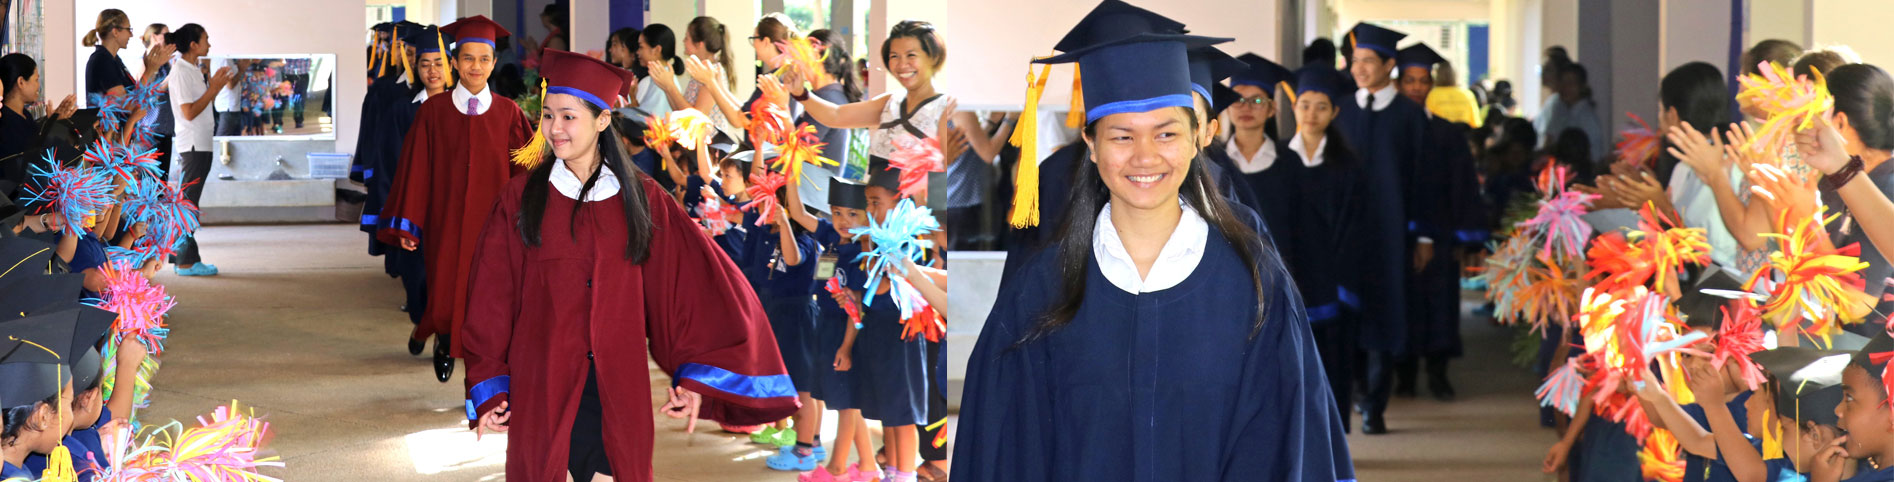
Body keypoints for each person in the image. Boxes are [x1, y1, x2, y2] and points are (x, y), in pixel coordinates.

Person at [954, 2, 1355, 480]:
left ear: (1198, 138)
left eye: (1166, 133)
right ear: (1091, 143)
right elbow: (1006, 445)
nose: (1145, 157)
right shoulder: (1041, 289)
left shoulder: (1253, 282)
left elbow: (1284, 440)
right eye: (1121, 136)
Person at [462, 48, 799, 482]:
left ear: (603, 120)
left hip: (616, 379)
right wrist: (490, 382)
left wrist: (693, 375)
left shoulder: (643, 199)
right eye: (548, 116)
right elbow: (491, 294)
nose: (554, 129)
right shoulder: (521, 197)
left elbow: (690, 286)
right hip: (541, 375)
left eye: (569, 117)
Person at [377, 16, 534, 382]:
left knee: (491, 292)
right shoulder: (433, 112)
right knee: (446, 285)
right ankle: (444, 339)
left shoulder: (509, 113)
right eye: (467, 58)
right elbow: (415, 170)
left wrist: (526, 220)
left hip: (494, 224)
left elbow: (525, 173)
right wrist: (409, 222)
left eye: (483, 59)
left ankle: (482, 355)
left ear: (494, 63)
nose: (475, 66)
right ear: (454, 62)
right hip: (443, 220)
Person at [1337, 21, 1430, 435]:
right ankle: (1355, 392)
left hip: (1392, 232)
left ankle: (1375, 403)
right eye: (1355, 61)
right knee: (1347, 311)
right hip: (1346, 231)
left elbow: (1424, 179)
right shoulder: (1341, 109)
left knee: (1384, 313)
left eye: (1368, 61)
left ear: (1390, 65)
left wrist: (1423, 234)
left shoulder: (1410, 115)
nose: (1359, 69)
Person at [1391, 42, 1486, 402]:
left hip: (1441, 231)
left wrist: (1463, 238)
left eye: (1422, 80)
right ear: (1399, 84)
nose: (1416, 87)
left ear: (1431, 84)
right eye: (1410, 80)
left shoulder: (1447, 134)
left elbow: (1461, 186)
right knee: (1402, 303)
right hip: (1396, 235)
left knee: (1439, 304)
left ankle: (1438, 373)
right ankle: (1403, 375)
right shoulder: (1388, 130)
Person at [367, 25, 455, 335]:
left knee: (451, 278)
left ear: (451, 65)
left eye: (439, 63)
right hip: (415, 207)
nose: (432, 71)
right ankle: (422, 323)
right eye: (425, 63)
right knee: (416, 276)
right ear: (415, 67)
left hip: (453, 208)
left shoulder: (467, 110)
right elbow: (387, 163)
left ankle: (444, 339)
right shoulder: (402, 110)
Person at [164, 24, 236, 278]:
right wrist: (214, 88)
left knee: (189, 202)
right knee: (188, 203)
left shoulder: (191, 69)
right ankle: (185, 261)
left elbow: (199, 106)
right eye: (206, 39)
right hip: (193, 143)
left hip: (201, 142)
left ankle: (180, 255)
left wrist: (212, 87)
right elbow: (188, 112)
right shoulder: (181, 71)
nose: (209, 43)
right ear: (193, 44)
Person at [1222, 53, 1293, 236]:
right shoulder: (1213, 161)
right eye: (1238, 100)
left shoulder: (1290, 163)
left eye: (1257, 100)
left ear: (1272, 109)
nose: (1246, 107)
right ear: (1227, 107)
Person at [649, 17, 739, 142]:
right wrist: (666, 87)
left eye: (687, 38)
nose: (683, 41)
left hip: (709, 146)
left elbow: (697, 118)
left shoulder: (712, 72)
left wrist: (671, 87)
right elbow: (681, 112)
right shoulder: (700, 70)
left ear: (699, 44)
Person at [0, 54, 77, 188]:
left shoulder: (25, 115)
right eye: (36, 80)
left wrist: (53, 124)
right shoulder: (6, 121)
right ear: (21, 82)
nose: (38, 86)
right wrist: (55, 127)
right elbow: (32, 160)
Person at [629, 24, 682, 118]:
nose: (637, 52)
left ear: (657, 50)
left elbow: (648, 120)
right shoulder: (656, 77)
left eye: (641, 47)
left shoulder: (663, 80)